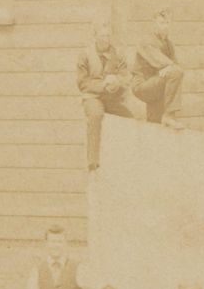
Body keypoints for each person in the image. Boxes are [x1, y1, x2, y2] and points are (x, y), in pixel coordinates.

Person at [76, 25, 140, 172]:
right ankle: (93, 161)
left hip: (112, 97)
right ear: (95, 37)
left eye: (108, 36)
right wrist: (102, 85)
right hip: (92, 96)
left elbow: (126, 76)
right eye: (103, 36)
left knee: (129, 118)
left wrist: (117, 82)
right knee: (95, 115)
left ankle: (128, 159)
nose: (106, 39)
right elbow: (82, 83)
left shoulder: (117, 54)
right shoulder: (85, 55)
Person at [131, 12, 185, 126]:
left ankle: (162, 119)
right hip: (142, 85)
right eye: (161, 23)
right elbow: (158, 60)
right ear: (154, 24)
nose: (165, 26)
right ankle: (169, 115)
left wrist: (169, 67)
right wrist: (169, 66)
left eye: (167, 23)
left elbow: (176, 64)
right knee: (176, 72)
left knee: (155, 124)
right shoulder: (146, 41)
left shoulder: (168, 44)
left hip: (157, 84)